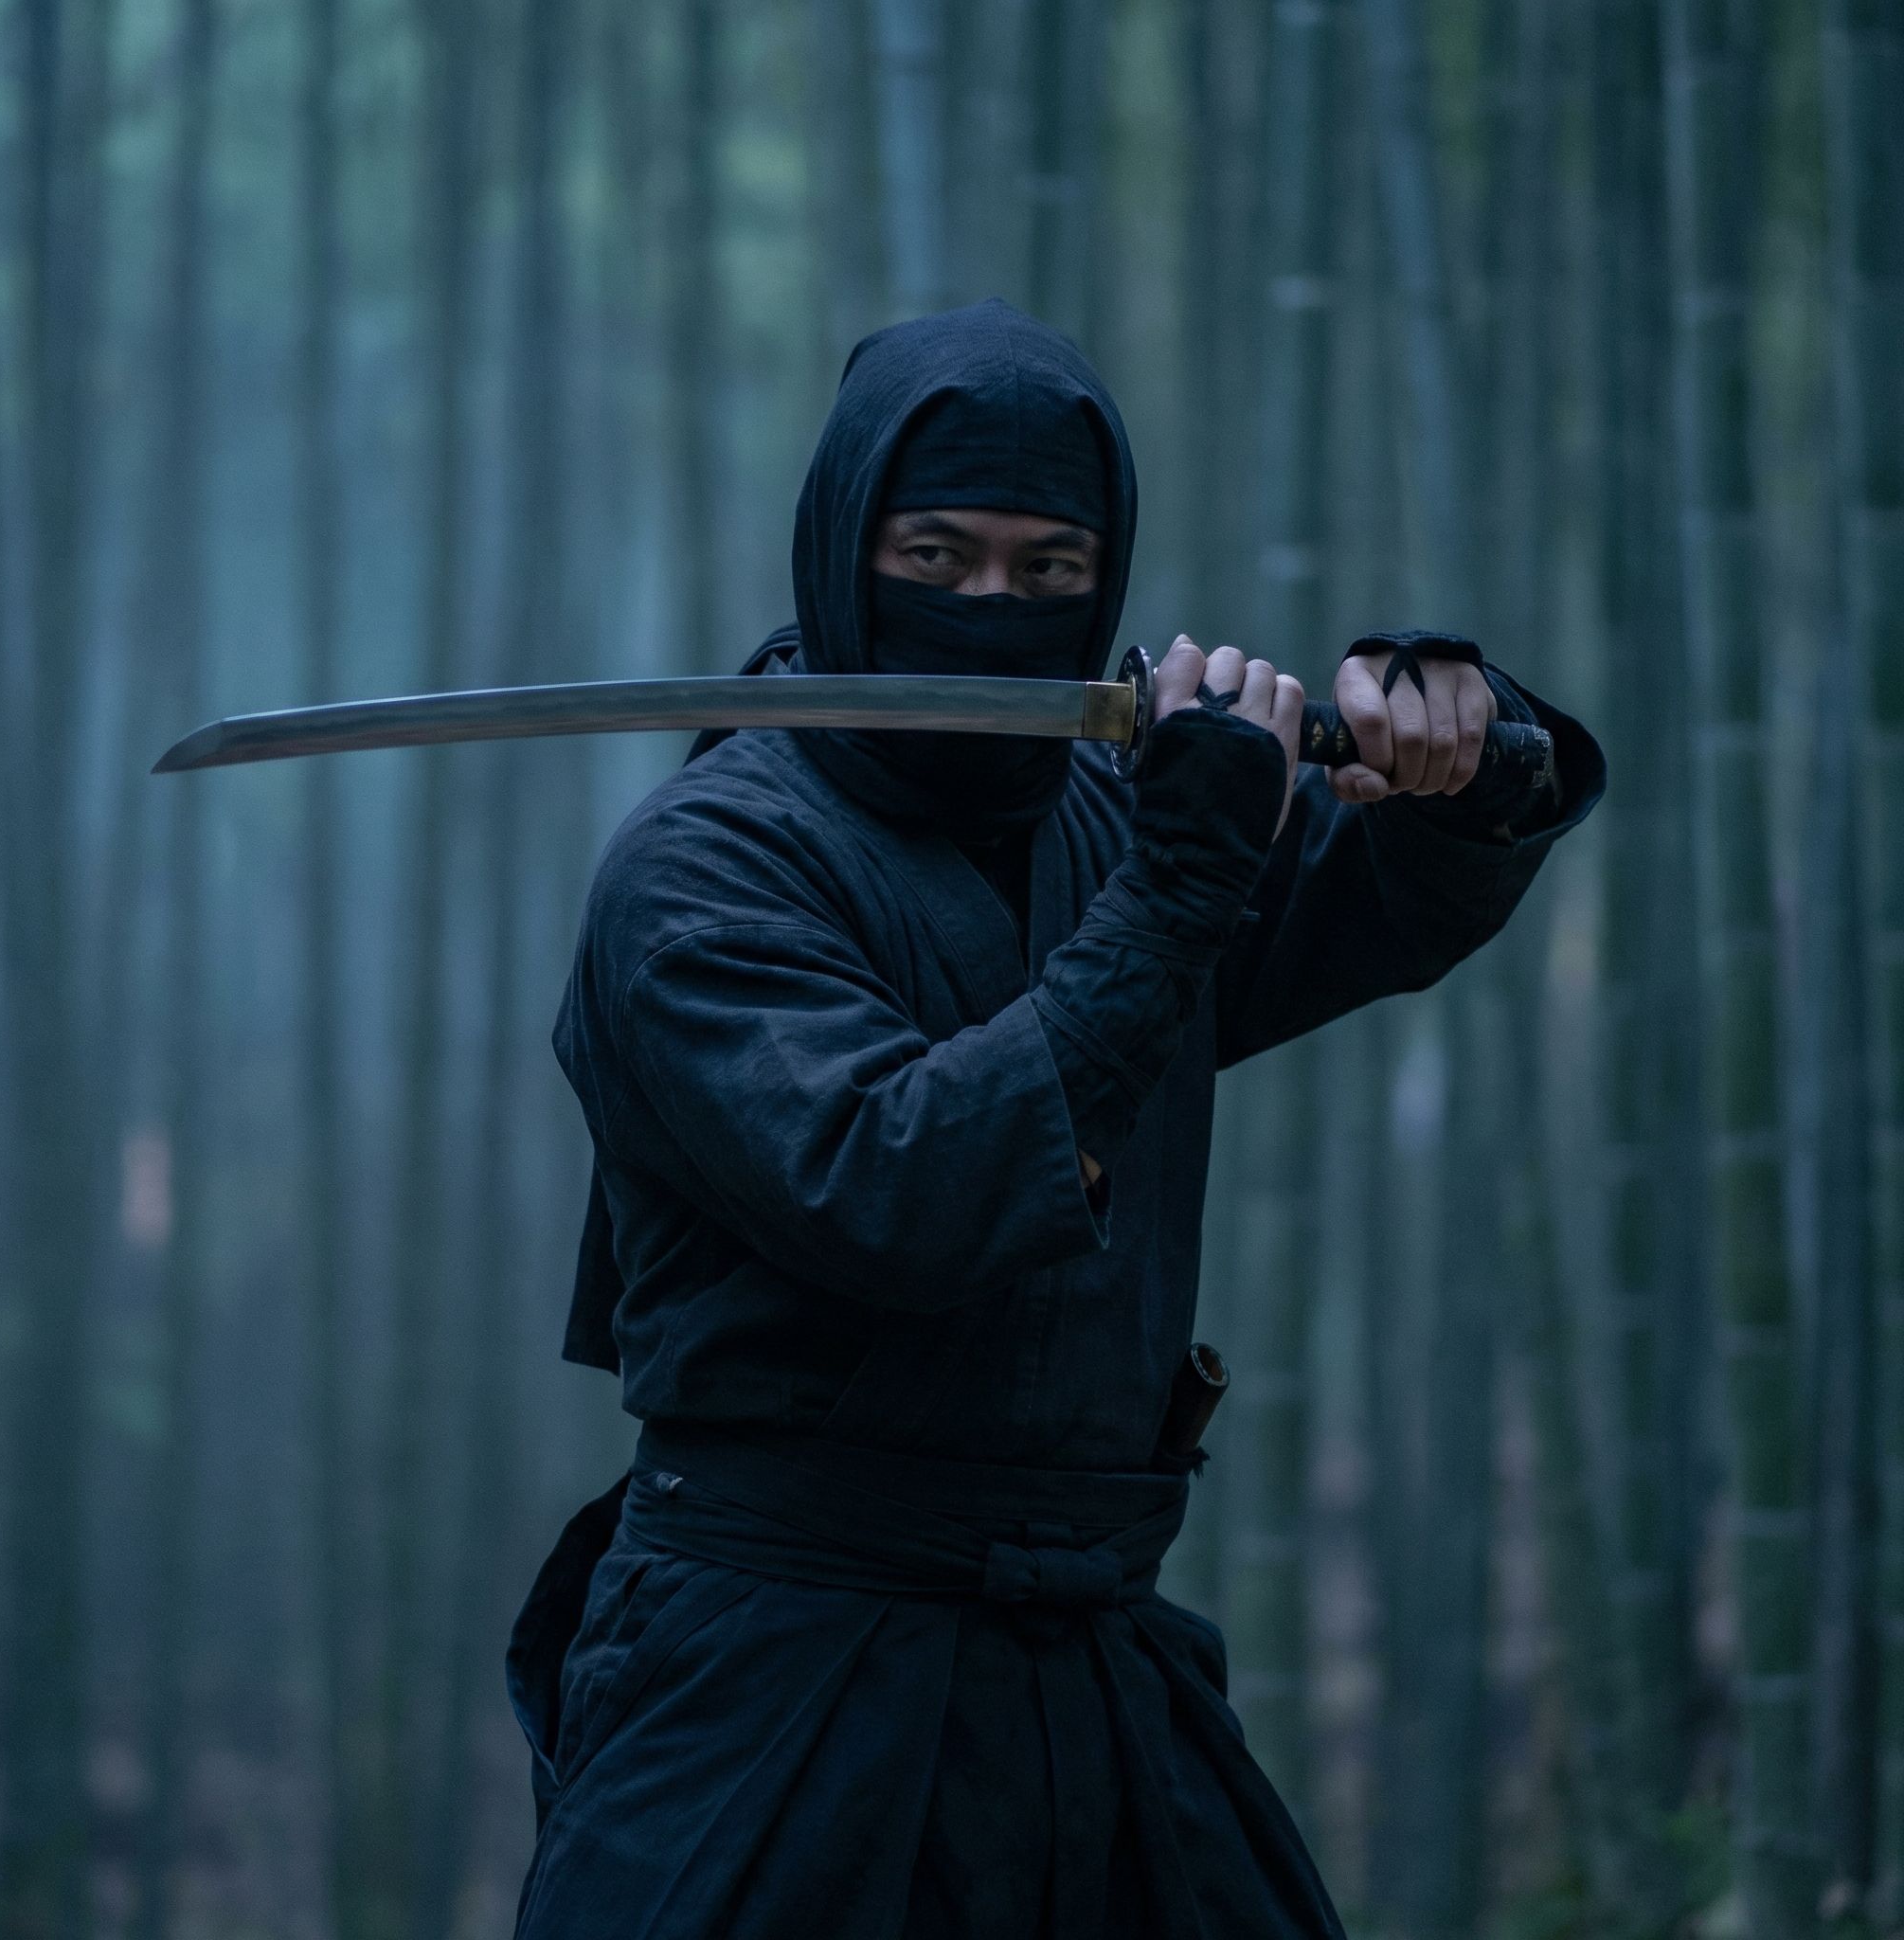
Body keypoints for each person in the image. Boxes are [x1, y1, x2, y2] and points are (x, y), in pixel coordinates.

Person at [507, 298, 1603, 1938]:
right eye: (934, 559)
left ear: (1110, 576)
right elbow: (900, 1193)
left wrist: (1465, 751)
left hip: (1093, 1650)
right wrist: (1177, 884)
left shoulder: (1132, 802)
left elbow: (1376, 899)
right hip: (775, 1663)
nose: (988, 605)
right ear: (843, 542)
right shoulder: (708, 867)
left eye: (1048, 569)